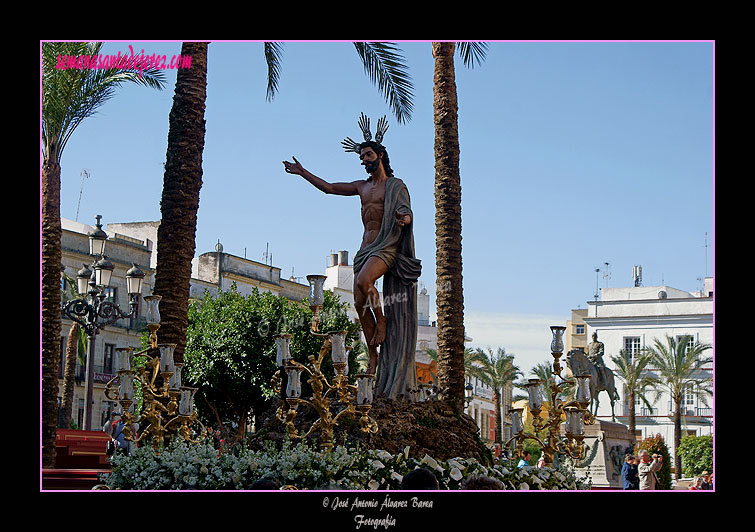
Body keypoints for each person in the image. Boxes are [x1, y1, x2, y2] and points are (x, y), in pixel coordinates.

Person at [283, 114, 421, 400]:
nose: (364, 160)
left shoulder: (395, 186)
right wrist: (302, 172)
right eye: (361, 156)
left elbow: (406, 210)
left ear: (380, 155)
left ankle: (381, 320)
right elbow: (330, 188)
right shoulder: (362, 186)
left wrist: (404, 219)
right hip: (365, 249)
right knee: (359, 303)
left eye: (368, 155)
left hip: (387, 246)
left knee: (364, 282)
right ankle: (373, 354)